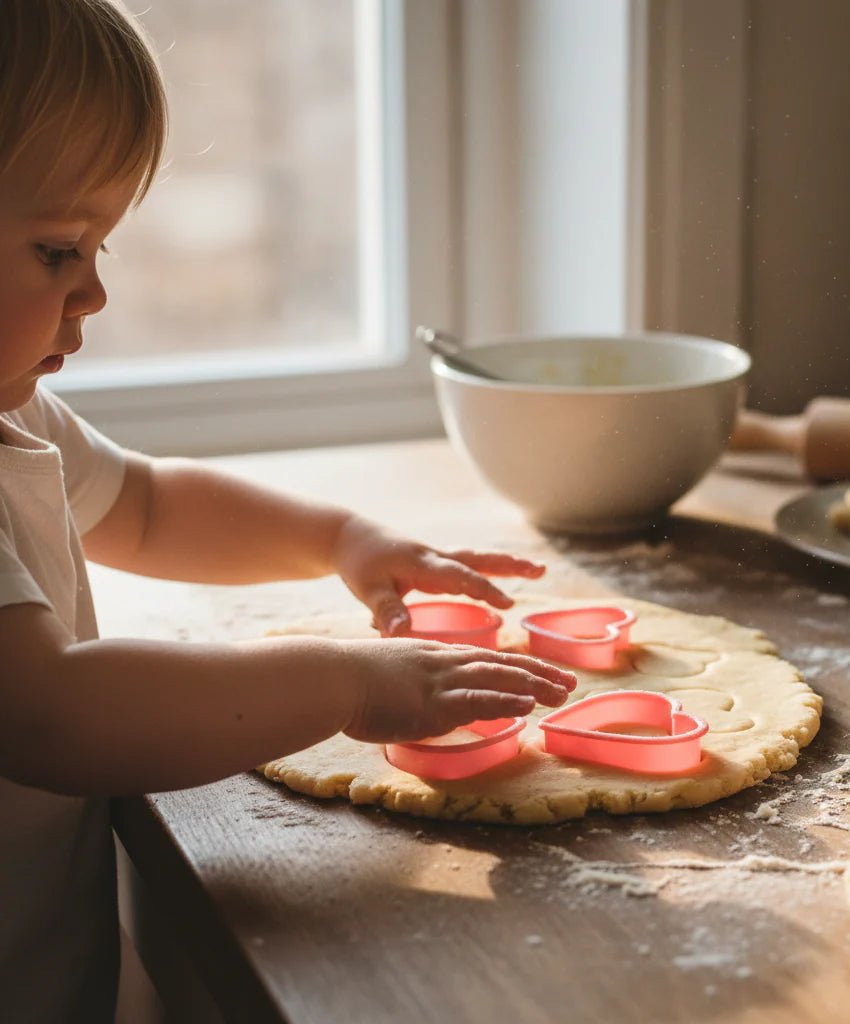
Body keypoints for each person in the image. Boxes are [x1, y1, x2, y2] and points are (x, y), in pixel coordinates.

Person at [0, 2, 576, 1020]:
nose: (92, 291)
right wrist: (347, 684)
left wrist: (339, 540)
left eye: (101, 248)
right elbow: (54, 714)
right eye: (58, 249)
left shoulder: (15, 415)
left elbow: (143, 502)